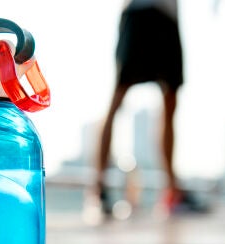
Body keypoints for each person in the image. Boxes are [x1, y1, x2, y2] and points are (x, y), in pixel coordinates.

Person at [88, 0, 206, 218]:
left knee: (170, 103)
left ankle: (172, 193)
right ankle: (98, 191)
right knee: (117, 98)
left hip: (167, 14)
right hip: (138, 11)